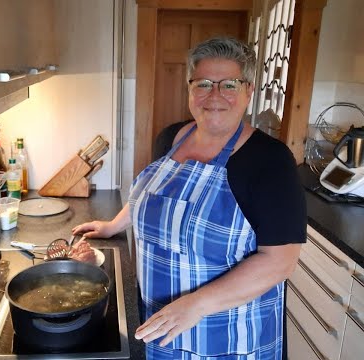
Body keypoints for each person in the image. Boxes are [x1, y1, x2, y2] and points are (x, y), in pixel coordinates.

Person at [72, 37, 306, 359]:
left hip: (224, 336)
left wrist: (196, 305)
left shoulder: (270, 161)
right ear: (189, 88)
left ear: (248, 91)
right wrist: (115, 224)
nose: (215, 96)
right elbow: (153, 197)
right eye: (204, 83)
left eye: (230, 85)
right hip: (160, 320)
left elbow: (280, 262)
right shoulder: (172, 137)